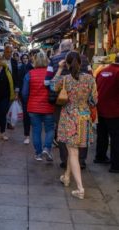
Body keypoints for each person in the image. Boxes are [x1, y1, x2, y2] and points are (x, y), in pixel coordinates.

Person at [52, 51, 97, 199]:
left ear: (67, 63)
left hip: (69, 118)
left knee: (72, 153)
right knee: (74, 151)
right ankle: (66, 177)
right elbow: (94, 101)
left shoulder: (65, 79)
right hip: (84, 118)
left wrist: (59, 68)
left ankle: (80, 188)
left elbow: (52, 86)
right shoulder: (90, 79)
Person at [45, 40, 92, 169]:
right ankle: (80, 161)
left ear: (61, 48)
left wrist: (60, 69)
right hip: (83, 107)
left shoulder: (54, 60)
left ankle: (66, 160)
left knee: (64, 133)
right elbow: (93, 96)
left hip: (63, 104)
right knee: (82, 133)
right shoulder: (85, 61)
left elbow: (48, 83)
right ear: (73, 48)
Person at [22, 51, 55, 161]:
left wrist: (28, 101)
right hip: (49, 107)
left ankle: (38, 153)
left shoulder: (29, 74)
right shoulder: (51, 74)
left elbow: (25, 93)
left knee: (36, 130)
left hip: (33, 107)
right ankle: (47, 148)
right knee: (50, 129)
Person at [95, 54, 119, 173]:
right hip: (114, 110)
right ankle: (116, 165)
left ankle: (100, 156)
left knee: (102, 134)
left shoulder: (102, 71)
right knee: (116, 138)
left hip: (100, 108)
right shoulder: (118, 72)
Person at [18, 53, 34, 144]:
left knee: (28, 115)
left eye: (26, 58)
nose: (25, 59)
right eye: (23, 58)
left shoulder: (31, 68)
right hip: (25, 94)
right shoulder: (20, 68)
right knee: (27, 115)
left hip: (28, 94)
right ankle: (27, 135)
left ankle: (27, 135)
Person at [3, 45, 19, 130]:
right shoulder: (0, 61)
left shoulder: (14, 61)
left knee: (10, 106)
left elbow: (16, 77)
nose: (9, 54)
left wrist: (17, 91)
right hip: (2, 88)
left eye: (11, 52)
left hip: (11, 87)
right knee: (2, 106)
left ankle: (9, 122)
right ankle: (2, 122)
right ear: (4, 52)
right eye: (7, 52)